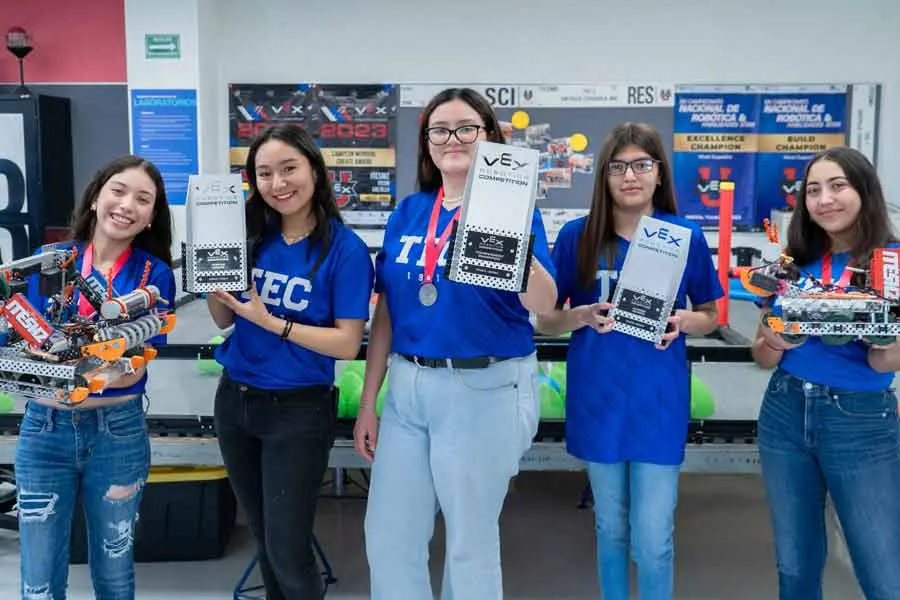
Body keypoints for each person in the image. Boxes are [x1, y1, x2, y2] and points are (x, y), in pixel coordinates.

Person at [353, 87, 558, 600]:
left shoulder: (516, 211)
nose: (453, 138)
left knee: (469, 544)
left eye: (467, 127)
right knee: (389, 537)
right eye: (440, 130)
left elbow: (547, 302)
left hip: (483, 388)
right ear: (427, 143)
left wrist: (505, 237)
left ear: (488, 135)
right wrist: (368, 403)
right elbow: (387, 315)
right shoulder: (409, 212)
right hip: (407, 386)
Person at [536, 122, 723, 600]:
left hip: (658, 401)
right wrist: (576, 314)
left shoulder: (684, 236)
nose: (630, 176)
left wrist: (684, 320)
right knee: (610, 528)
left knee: (654, 539)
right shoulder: (578, 236)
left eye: (642, 164)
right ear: (603, 177)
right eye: (618, 167)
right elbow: (547, 321)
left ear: (659, 173)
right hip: (598, 400)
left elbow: (710, 314)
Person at [207, 123, 374, 600]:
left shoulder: (345, 251)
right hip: (235, 402)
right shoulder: (252, 236)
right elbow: (223, 318)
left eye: (288, 169)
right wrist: (210, 267)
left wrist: (271, 321)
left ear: (315, 172)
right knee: (262, 539)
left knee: (288, 547)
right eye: (264, 173)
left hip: (298, 412)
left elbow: (346, 343)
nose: (278, 183)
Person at [14, 155, 176, 600]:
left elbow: (133, 368)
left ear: (150, 218)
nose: (127, 204)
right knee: (40, 580)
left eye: (143, 199)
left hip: (116, 434)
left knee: (114, 574)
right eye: (119, 191)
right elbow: (18, 332)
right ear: (96, 198)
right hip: (44, 434)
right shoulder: (49, 263)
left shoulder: (153, 276)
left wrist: (87, 368)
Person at [751, 146, 900, 599]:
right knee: (795, 565)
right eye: (814, 190)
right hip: (783, 409)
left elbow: (882, 363)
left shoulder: (892, 263)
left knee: (883, 568)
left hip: (859, 419)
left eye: (838, 186)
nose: (825, 199)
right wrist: (773, 341)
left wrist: (887, 343)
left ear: (864, 191)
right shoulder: (791, 262)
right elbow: (763, 355)